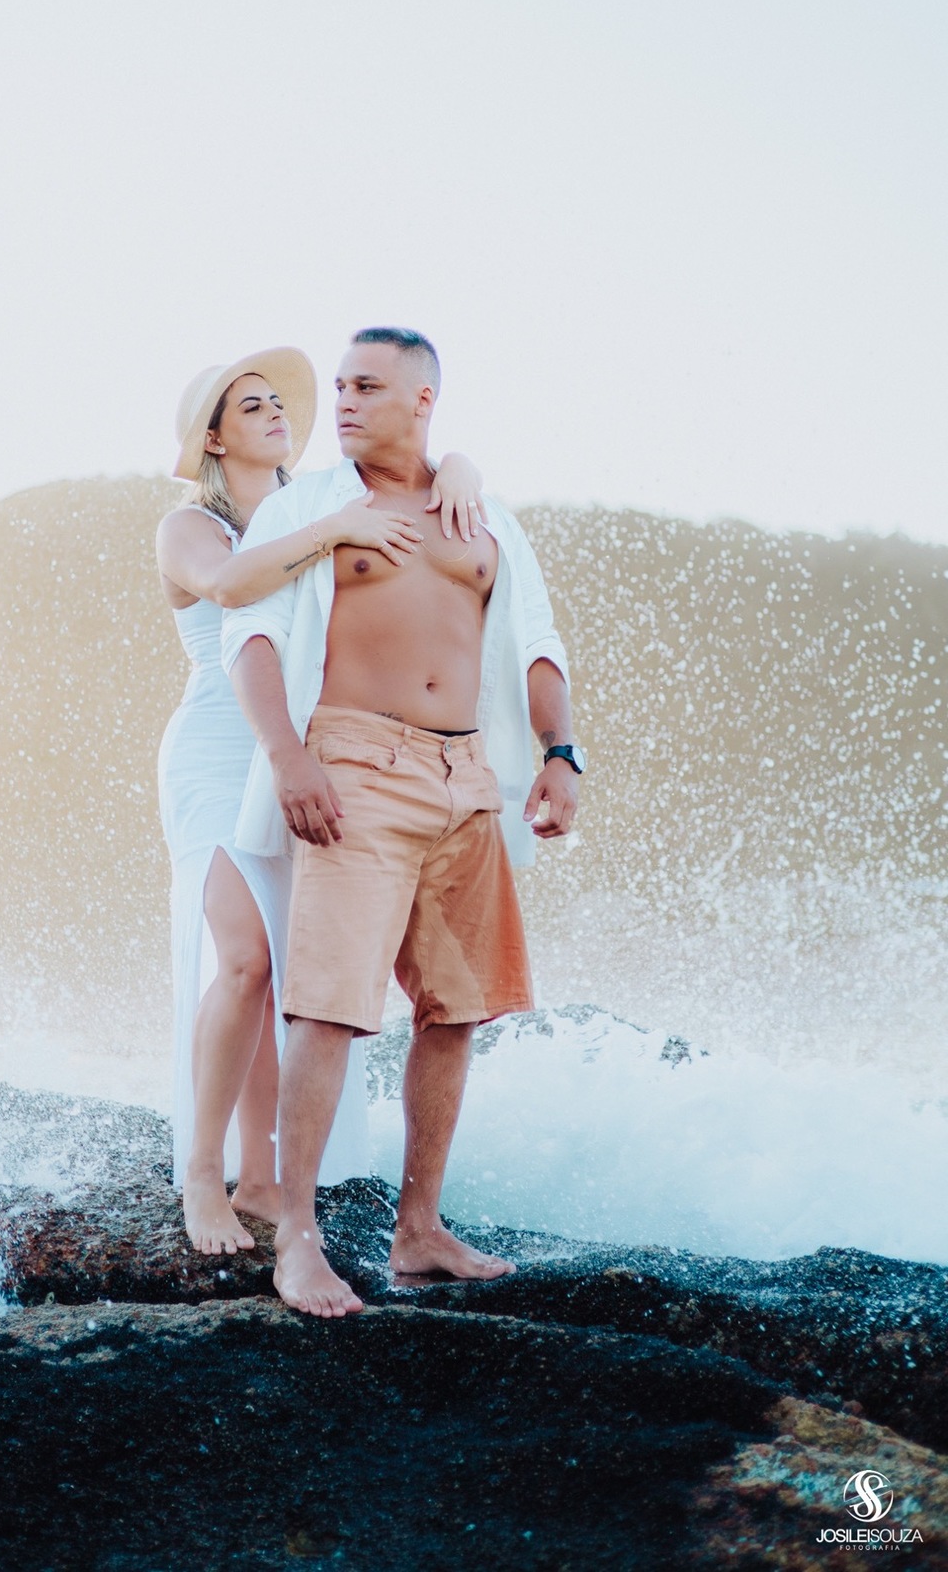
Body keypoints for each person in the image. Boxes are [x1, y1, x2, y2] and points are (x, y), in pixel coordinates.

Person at [223, 327, 583, 1316]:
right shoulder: (311, 508)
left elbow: (536, 645)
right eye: (338, 385)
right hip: (354, 765)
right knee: (332, 1004)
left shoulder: (485, 514)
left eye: (367, 386)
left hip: (468, 777)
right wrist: (289, 756)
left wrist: (559, 756)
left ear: (423, 399)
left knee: (455, 1006)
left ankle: (418, 1229)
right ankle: (296, 1239)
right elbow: (248, 635)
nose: (342, 401)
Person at [156, 346, 485, 1256]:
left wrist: (458, 465)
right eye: (248, 405)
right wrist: (338, 529)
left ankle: (263, 1177)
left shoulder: (316, 503)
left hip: (301, 753)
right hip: (221, 752)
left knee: (285, 970)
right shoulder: (193, 527)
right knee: (245, 960)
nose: (274, 413)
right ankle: (201, 1176)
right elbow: (233, 586)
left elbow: (416, 470)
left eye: (277, 402)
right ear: (214, 438)